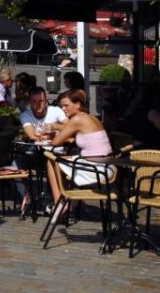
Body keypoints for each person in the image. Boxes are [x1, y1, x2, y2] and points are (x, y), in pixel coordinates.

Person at [47, 89, 114, 220]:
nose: (63, 109)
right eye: (62, 106)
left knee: (51, 161)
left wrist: (55, 130)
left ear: (77, 104)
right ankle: (69, 202)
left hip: (96, 168)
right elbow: (77, 136)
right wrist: (60, 130)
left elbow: (56, 142)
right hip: (106, 165)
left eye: (66, 105)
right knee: (64, 160)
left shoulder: (77, 119)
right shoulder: (91, 117)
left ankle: (59, 204)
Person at [15, 86, 66, 213]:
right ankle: (27, 196)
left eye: (41, 101)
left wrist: (54, 126)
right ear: (29, 102)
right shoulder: (25, 115)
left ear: (46, 100)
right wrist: (51, 132)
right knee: (15, 165)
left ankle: (53, 201)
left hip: (55, 152)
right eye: (34, 101)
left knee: (52, 163)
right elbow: (31, 134)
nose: (38, 104)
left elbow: (70, 125)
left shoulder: (56, 111)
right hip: (37, 152)